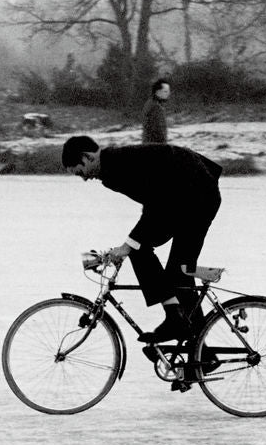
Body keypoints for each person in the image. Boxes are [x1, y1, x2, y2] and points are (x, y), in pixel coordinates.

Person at [62, 135, 222, 370]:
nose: (84, 178)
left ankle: (177, 322)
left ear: (88, 157)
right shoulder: (112, 168)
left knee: (172, 270)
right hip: (183, 196)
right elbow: (154, 199)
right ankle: (199, 348)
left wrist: (128, 244)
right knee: (158, 261)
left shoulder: (117, 166)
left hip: (196, 198)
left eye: (80, 171)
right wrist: (131, 243)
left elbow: (158, 202)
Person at [141, 78, 171, 144]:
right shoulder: (155, 107)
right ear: (157, 92)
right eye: (165, 91)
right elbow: (158, 130)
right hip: (155, 146)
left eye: (169, 91)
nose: (168, 94)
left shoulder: (151, 104)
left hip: (150, 145)